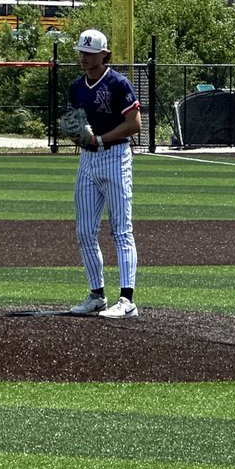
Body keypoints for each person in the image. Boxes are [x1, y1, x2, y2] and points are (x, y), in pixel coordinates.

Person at [66, 28, 143, 318]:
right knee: (85, 231)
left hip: (115, 157)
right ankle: (97, 295)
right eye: (82, 52)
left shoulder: (118, 83)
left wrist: (100, 139)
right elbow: (74, 123)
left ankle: (127, 300)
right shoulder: (76, 87)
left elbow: (134, 124)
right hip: (87, 160)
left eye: (90, 53)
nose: (84, 57)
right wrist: (77, 135)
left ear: (104, 54)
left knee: (121, 230)